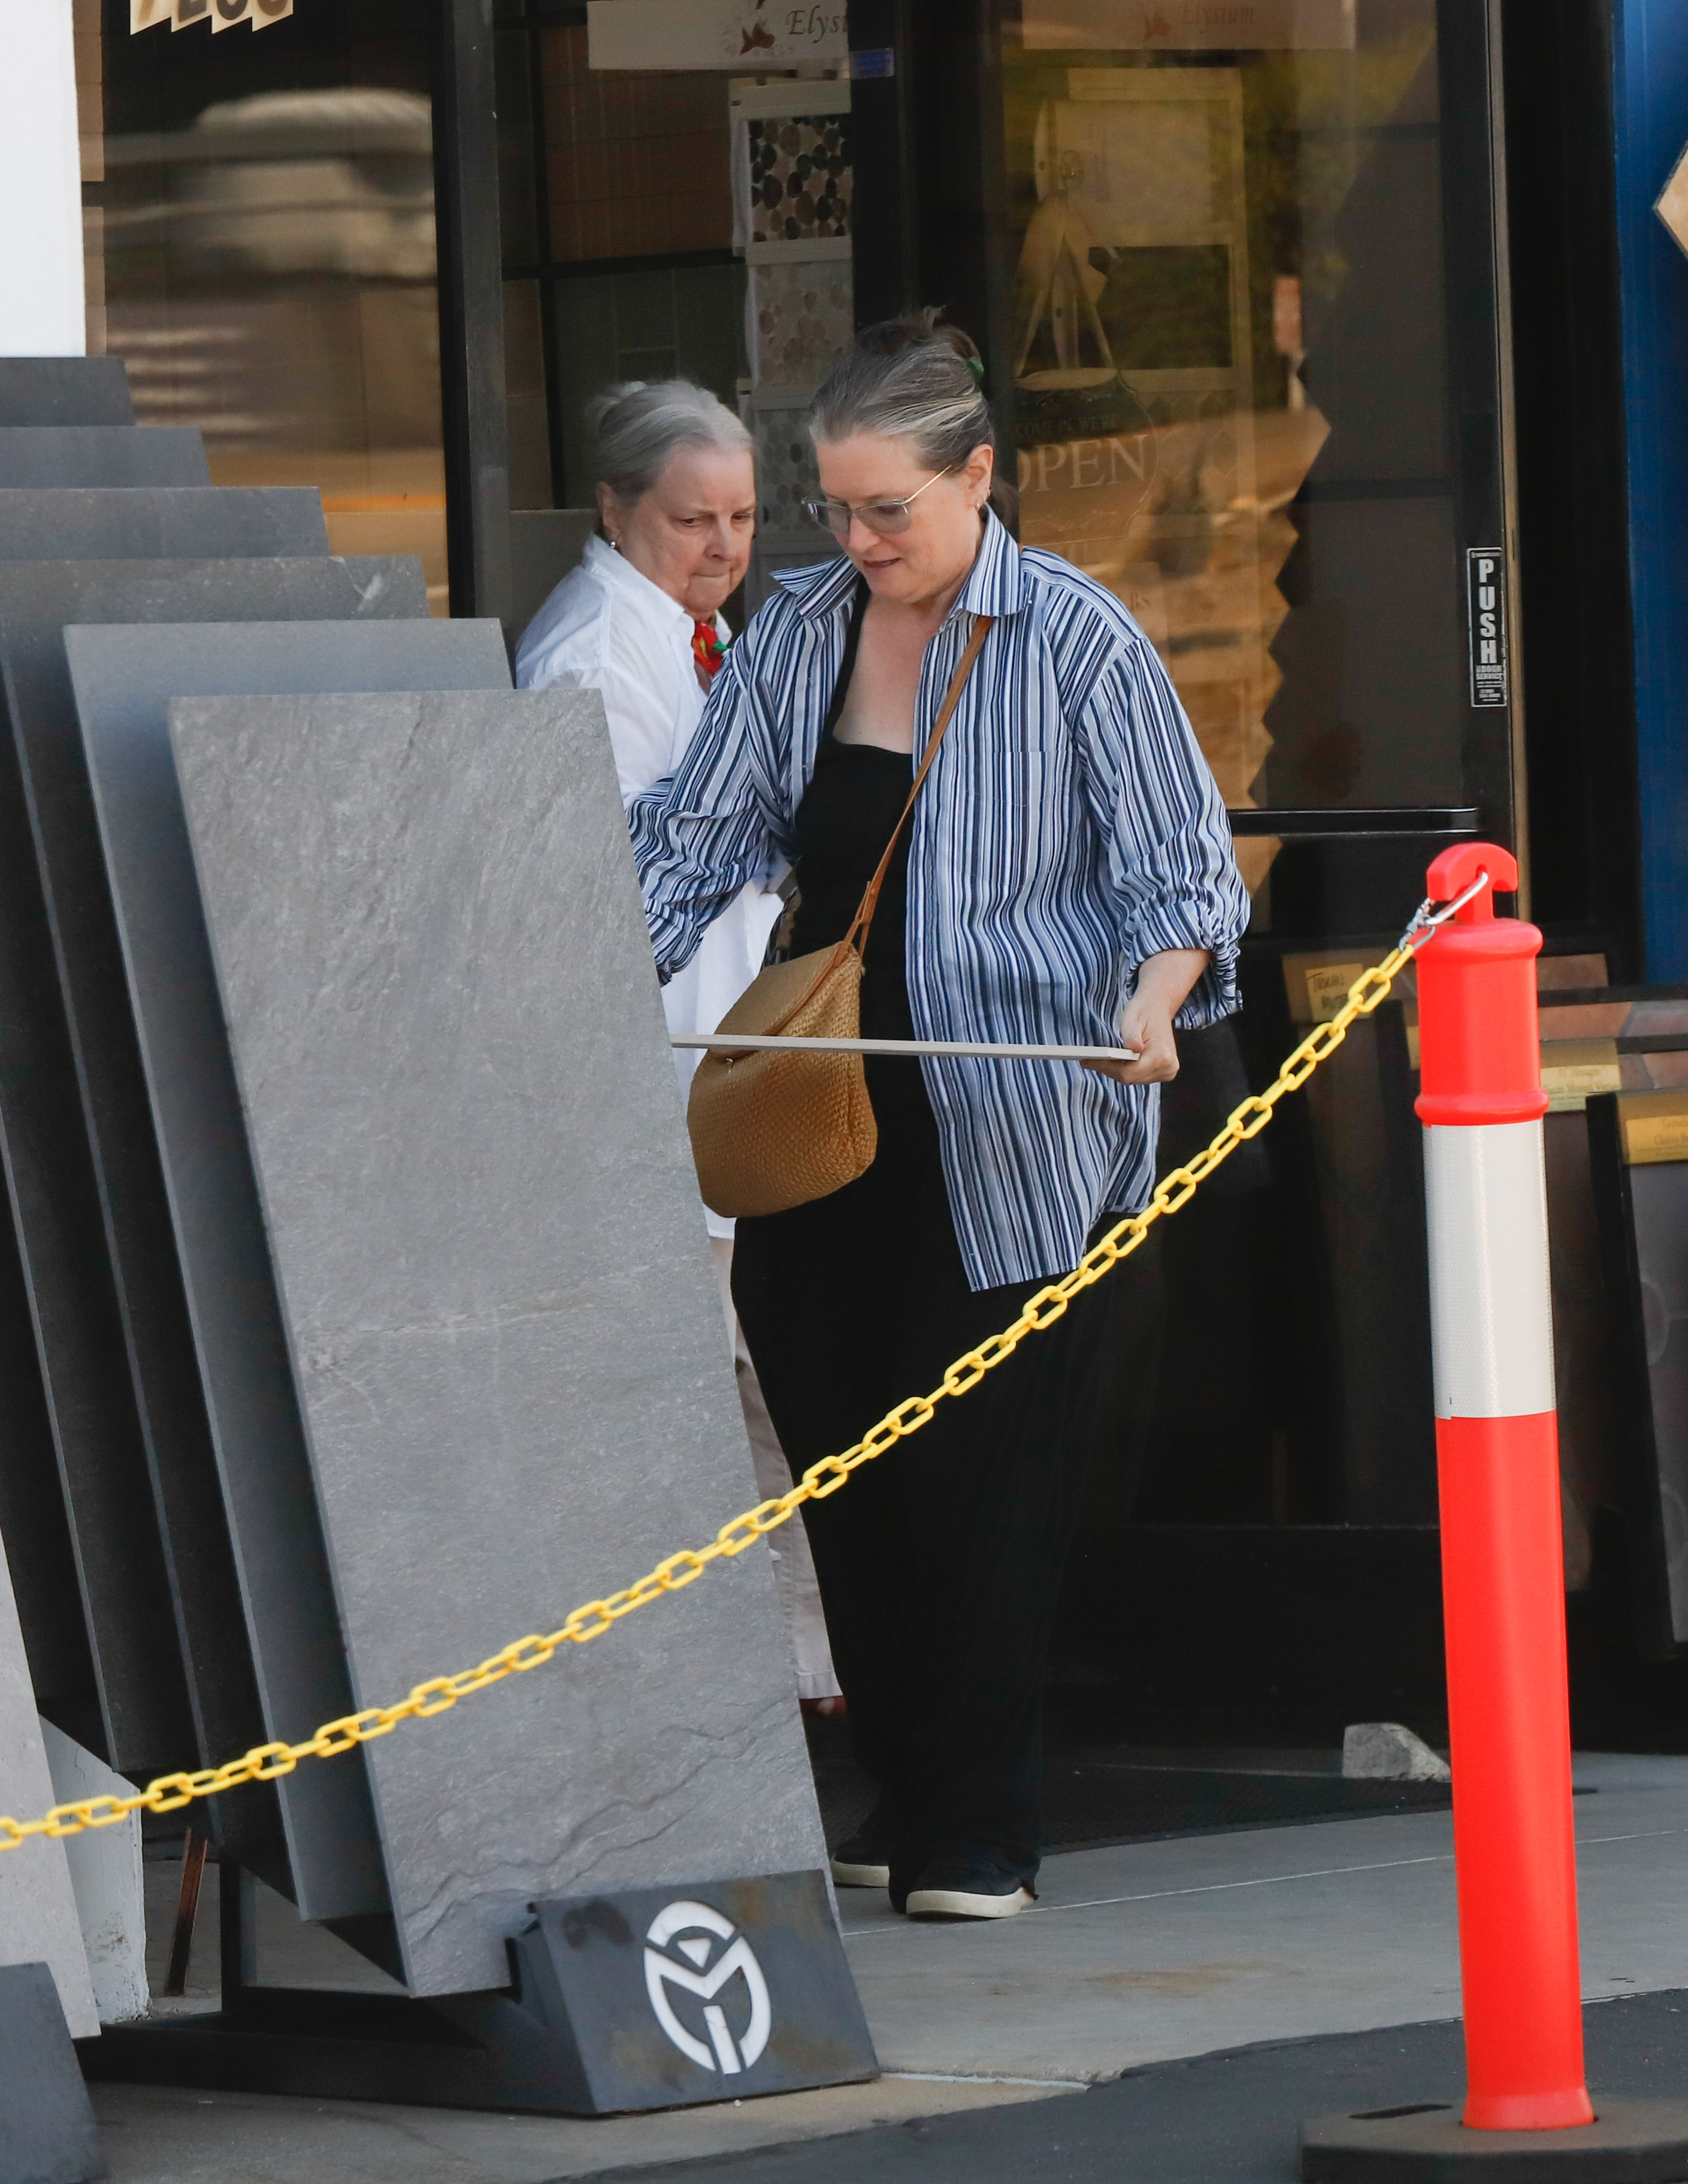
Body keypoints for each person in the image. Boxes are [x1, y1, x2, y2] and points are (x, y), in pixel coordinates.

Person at [630, 314, 1250, 1921]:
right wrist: (571, 960)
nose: (856, 541)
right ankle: (909, 1788)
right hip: (829, 1098)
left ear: (978, 477)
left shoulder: (1076, 637)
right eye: (833, 508)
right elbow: (698, 833)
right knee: (838, 1450)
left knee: (983, 1471)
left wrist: (1153, 1003)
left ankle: (979, 1828)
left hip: (1023, 1117)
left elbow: (1184, 875)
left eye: (886, 510)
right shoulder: (803, 630)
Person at [516, 378, 841, 1711]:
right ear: (613, 508)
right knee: (717, 1381)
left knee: (758, 1371)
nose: (721, 548)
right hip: (660, 1070)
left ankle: (813, 1665)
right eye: (688, 520)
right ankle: (780, 1677)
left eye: (743, 519)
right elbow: (635, 883)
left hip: (726, 1055)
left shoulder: (699, 637)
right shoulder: (594, 652)